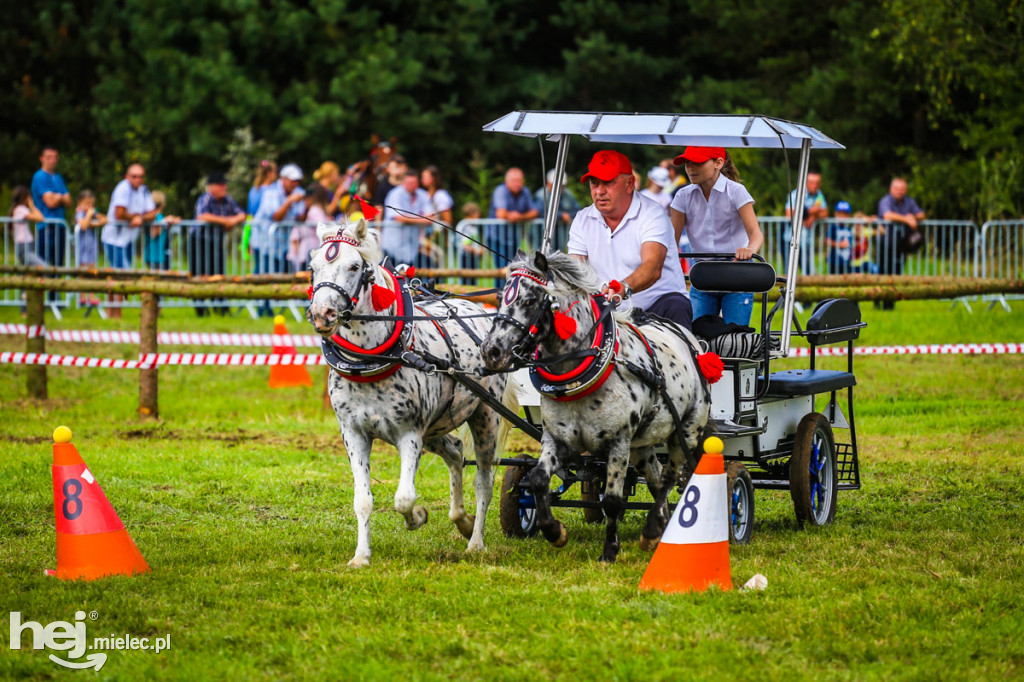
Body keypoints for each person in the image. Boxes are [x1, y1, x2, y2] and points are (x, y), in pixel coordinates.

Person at [567, 150, 693, 331]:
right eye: (594, 183)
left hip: (658, 307)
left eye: (608, 183)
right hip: (607, 310)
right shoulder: (582, 218)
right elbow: (575, 270)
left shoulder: (652, 214)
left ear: (629, 184)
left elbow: (653, 267)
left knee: (676, 305)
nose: (600, 191)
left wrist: (623, 288)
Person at [669, 146, 764, 327]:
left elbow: (756, 233)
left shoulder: (736, 191)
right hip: (703, 274)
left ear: (718, 163)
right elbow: (672, 241)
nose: (690, 168)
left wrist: (750, 249)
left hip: (737, 272)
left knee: (736, 338)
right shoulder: (682, 196)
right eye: (688, 163)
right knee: (697, 337)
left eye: (697, 162)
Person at [193, 172, 246, 315]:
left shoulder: (228, 200)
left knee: (219, 273)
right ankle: (201, 308)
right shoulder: (205, 199)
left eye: (225, 184)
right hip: (199, 242)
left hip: (216, 242)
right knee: (201, 274)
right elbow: (202, 216)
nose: (224, 187)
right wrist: (226, 221)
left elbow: (241, 214)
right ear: (211, 187)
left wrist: (232, 221)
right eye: (221, 185)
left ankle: (221, 307)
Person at [251, 163, 305, 276]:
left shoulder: (298, 191)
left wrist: (307, 205)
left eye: (297, 181)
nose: (295, 184)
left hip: (284, 245)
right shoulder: (271, 191)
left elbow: (300, 218)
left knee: (281, 279)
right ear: (283, 179)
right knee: (263, 278)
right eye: (292, 180)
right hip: (265, 243)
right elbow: (276, 217)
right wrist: (290, 201)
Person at [488, 168, 538, 285]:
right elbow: (500, 213)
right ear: (507, 181)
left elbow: (535, 212)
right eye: (514, 180)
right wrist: (517, 216)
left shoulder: (525, 191)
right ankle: (499, 297)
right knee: (502, 270)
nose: (517, 183)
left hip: (513, 238)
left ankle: (510, 296)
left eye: (519, 181)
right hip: (497, 237)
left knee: (513, 269)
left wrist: (519, 217)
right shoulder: (500, 191)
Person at [103, 163, 157, 270]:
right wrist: (134, 217)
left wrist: (140, 218)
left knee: (126, 273)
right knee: (121, 274)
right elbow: (119, 213)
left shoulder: (144, 190)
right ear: (127, 176)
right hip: (114, 240)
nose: (138, 179)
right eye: (134, 176)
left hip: (128, 240)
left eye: (141, 176)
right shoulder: (123, 188)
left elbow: (153, 213)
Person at [382, 170, 435, 267]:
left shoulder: (423, 195)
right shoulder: (394, 194)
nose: (412, 185)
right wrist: (422, 220)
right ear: (403, 183)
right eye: (409, 183)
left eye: (414, 183)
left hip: (412, 247)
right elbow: (397, 217)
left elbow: (431, 217)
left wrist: (409, 219)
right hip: (392, 246)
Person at [30, 146, 71, 268]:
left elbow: (69, 202)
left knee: (58, 264)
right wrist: (61, 197)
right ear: (41, 158)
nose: (52, 160)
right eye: (49, 157)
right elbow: (50, 203)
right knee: (44, 264)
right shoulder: (39, 176)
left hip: (60, 226)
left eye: (55, 157)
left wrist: (56, 197)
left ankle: (56, 287)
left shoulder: (58, 177)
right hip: (46, 227)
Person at [877, 176, 925, 278]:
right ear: (891, 189)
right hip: (886, 244)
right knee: (883, 272)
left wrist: (913, 217)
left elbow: (921, 214)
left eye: (902, 189)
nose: (900, 191)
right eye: (897, 189)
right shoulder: (885, 201)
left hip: (902, 243)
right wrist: (906, 219)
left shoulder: (909, 201)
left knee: (898, 272)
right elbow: (887, 215)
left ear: (906, 190)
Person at [783, 171, 828, 275]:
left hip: (806, 240)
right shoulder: (796, 194)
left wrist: (813, 216)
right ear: (806, 183)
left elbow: (825, 212)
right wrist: (811, 212)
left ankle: (808, 287)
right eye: (812, 183)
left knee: (808, 270)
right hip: (791, 239)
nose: (815, 186)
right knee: (789, 271)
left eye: (817, 183)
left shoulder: (819, 195)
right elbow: (789, 214)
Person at [533, 168, 581, 250]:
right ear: (548, 183)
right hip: (542, 236)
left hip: (561, 237)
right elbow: (540, 212)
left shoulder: (568, 195)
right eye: (555, 185)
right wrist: (561, 216)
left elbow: (578, 210)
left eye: (562, 186)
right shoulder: (541, 195)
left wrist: (569, 216)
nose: (559, 188)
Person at [290, 183, 329, 273]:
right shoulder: (314, 210)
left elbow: (322, 225)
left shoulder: (313, 210)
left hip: (310, 250)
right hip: (310, 250)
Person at [8, 186, 46, 267]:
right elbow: (40, 218)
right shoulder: (20, 209)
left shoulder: (17, 210)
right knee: (43, 266)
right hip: (24, 247)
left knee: (30, 272)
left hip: (26, 246)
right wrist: (32, 206)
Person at [143, 190, 180, 271]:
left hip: (160, 255)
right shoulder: (154, 217)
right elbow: (153, 234)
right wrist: (165, 221)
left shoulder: (159, 216)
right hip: (155, 256)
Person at [458, 202, 485, 284]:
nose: (478, 217)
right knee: (466, 279)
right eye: (477, 214)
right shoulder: (464, 226)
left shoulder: (473, 226)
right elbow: (465, 244)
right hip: (466, 256)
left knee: (473, 279)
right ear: (472, 214)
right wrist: (477, 251)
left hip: (473, 256)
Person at [825, 200, 855, 274]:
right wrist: (839, 244)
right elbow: (827, 240)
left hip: (846, 261)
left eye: (845, 214)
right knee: (833, 281)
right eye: (840, 214)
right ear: (836, 214)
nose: (842, 217)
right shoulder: (833, 227)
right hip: (834, 261)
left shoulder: (849, 228)